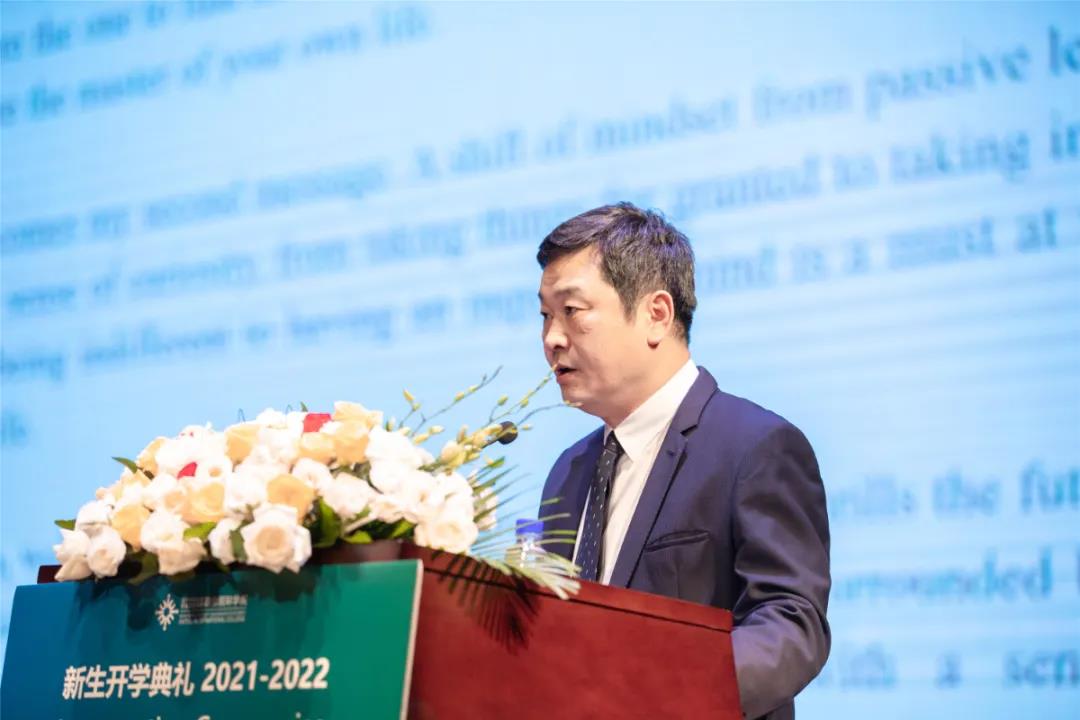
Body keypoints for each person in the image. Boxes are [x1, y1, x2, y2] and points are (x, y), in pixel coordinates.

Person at [537, 203, 831, 720]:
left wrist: (663, 696)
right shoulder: (569, 471)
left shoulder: (755, 446)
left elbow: (791, 622)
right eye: (545, 316)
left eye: (572, 311)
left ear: (656, 314)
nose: (552, 338)